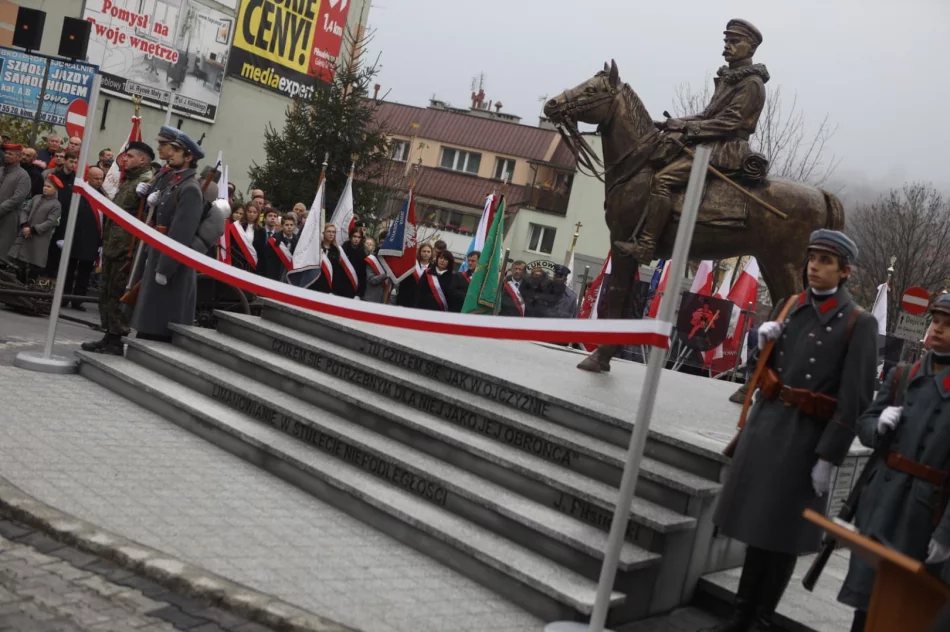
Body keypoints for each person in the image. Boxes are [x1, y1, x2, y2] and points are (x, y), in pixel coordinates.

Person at [701, 229, 878, 632]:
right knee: (755, 527)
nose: (814, 266)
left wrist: (828, 458)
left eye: (825, 261)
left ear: (845, 271)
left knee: (779, 534)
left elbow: (855, 400)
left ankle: (760, 620)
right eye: (812, 258)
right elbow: (760, 375)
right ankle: (739, 616)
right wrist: (759, 346)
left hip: (805, 439)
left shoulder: (857, 322)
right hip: (767, 428)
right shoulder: (788, 305)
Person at [838, 293, 950, 632]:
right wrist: (879, 425)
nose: (939, 330)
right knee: (866, 600)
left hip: (924, 511)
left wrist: (947, 533)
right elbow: (865, 424)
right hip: (882, 500)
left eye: (949, 325)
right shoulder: (903, 374)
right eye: (937, 322)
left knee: (902, 608)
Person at [615, 19, 769, 262]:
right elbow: (707, 115)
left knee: (663, 180)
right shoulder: (733, 78)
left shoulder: (751, 83)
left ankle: (646, 245)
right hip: (711, 144)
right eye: (726, 41)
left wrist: (687, 129)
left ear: (750, 48)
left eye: (734, 42)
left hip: (726, 150)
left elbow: (730, 123)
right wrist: (671, 123)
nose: (726, 47)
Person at [130, 131, 205, 342]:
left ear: (188, 157)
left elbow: (180, 234)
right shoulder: (175, 181)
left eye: (177, 151)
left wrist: (165, 268)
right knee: (149, 322)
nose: (170, 154)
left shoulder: (190, 188)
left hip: (170, 263)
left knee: (161, 324)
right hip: (158, 251)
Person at [83, 141, 154, 355]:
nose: (126, 159)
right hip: (113, 244)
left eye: (131, 156)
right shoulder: (129, 181)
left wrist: (149, 197)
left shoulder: (146, 181)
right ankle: (108, 335)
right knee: (106, 293)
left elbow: (145, 215)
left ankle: (116, 338)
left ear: (143, 159)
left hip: (127, 247)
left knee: (117, 293)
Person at [60, 166, 105, 310]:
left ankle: (77, 300)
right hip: (74, 237)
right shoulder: (78, 192)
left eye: (101, 179)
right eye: (96, 178)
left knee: (84, 273)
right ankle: (63, 297)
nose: (99, 181)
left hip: (91, 239)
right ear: (89, 178)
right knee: (68, 269)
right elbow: (67, 214)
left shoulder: (102, 197)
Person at [8, 176, 62, 283]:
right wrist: (24, 225)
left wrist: (33, 230)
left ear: (55, 190)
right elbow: (25, 210)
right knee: (20, 262)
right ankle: (20, 283)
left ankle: (29, 286)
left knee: (34, 264)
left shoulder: (56, 205)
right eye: (44, 186)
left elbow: (50, 222)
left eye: (49, 186)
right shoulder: (36, 198)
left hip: (39, 238)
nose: (45, 188)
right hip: (25, 233)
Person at [45, 150, 80, 276]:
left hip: (67, 217)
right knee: (50, 246)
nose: (73, 165)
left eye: (75, 162)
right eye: (71, 161)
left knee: (61, 247)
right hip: (54, 214)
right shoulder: (55, 176)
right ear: (65, 161)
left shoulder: (77, 179)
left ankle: (55, 274)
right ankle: (46, 272)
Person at [0, 144, 33, 266]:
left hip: (9, 217)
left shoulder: (23, 176)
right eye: (6, 153)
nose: (7, 156)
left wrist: (1, 209)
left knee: (3, 250)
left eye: (10, 154)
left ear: (19, 157)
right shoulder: (0, 170)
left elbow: (17, 198)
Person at [396, 242, 433, 307]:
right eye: (424, 251)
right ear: (420, 252)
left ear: (431, 253)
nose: (426, 253)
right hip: (407, 299)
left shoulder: (433, 268)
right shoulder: (412, 264)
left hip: (423, 302)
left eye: (428, 251)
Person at [335, 228, 367, 299]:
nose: (356, 239)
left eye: (359, 237)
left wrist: (359, 294)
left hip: (353, 288)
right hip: (339, 287)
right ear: (350, 237)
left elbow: (362, 275)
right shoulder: (343, 249)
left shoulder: (362, 254)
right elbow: (336, 270)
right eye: (354, 236)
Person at [255, 207, 284, 281]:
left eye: (275, 216)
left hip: (274, 273)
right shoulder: (258, 232)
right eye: (270, 216)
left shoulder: (280, 236)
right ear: (264, 219)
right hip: (259, 269)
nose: (273, 218)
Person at [312, 224, 340, 294]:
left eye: (333, 232)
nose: (331, 234)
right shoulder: (317, 247)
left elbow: (336, 271)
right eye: (329, 231)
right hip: (314, 283)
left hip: (327, 285)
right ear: (323, 233)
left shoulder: (336, 250)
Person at [363, 239, 388, 304]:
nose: (383, 245)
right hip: (370, 300)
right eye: (382, 242)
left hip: (383, 301)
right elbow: (372, 280)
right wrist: (386, 275)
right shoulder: (372, 260)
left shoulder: (390, 261)